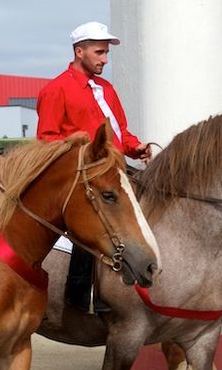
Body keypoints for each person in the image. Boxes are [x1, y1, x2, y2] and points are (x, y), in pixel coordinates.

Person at [36, 21, 152, 314]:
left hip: (114, 170)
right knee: (91, 223)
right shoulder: (56, 89)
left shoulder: (107, 88)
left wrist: (135, 146)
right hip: (80, 177)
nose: (104, 59)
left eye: (106, 53)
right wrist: (79, 148)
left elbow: (121, 132)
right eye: (100, 52)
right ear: (79, 51)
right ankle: (82, 296)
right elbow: (46, 140)